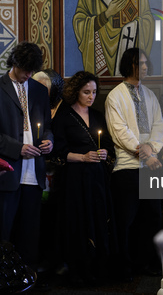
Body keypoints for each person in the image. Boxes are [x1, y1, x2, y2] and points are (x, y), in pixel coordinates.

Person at [0, 41, 53, 267]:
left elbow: (48, 127)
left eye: (32, 71)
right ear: (14, 63)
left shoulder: (40, 90)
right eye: (25, 70)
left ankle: (29, 275)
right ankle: (4, 276)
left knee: (31, 231)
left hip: (35, 171)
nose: (28, 75)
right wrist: (18, 148)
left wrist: (49, 141)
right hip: (9, 170)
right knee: (5, 230)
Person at [105, 48, 163, 280]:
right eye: (141, 63)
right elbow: (119, 131)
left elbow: (159, 126)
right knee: (126, 220)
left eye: (146, 63)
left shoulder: (150, 94)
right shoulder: (115, 96)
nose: (146, 67)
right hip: (127, 167)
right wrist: (145, 153)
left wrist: (153, 150)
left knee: (151, 218)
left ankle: (146, 262)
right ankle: (124, 266)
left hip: (150, 165)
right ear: (130, 65)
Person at [51, 71, 115, 285]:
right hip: (74, 179)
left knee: (98, 219)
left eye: (94, 92)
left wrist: (104, 153)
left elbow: (107, 144)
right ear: (76, 91)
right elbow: (58, 152)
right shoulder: (64, 116)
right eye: (86, 92)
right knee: (78, 221)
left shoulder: (97, 115)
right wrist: (82, 157)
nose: (91, 96)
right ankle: (77, 271)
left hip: (97, 178)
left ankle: (98, 268)